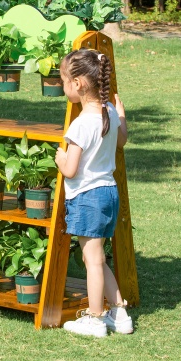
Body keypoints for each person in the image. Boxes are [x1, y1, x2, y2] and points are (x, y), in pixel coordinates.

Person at [55, 48, 133, 337]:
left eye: (63, 81)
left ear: (77, 84)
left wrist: (60, 158)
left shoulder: (80, 124)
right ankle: (119, 312)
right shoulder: (109, 113)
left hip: (88, 197)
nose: (63, 87)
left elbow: (71, 170)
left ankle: (96, 318)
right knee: (96, 258)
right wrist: (122, 117)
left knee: (94, 260)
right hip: (108, 194)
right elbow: (122, 140)